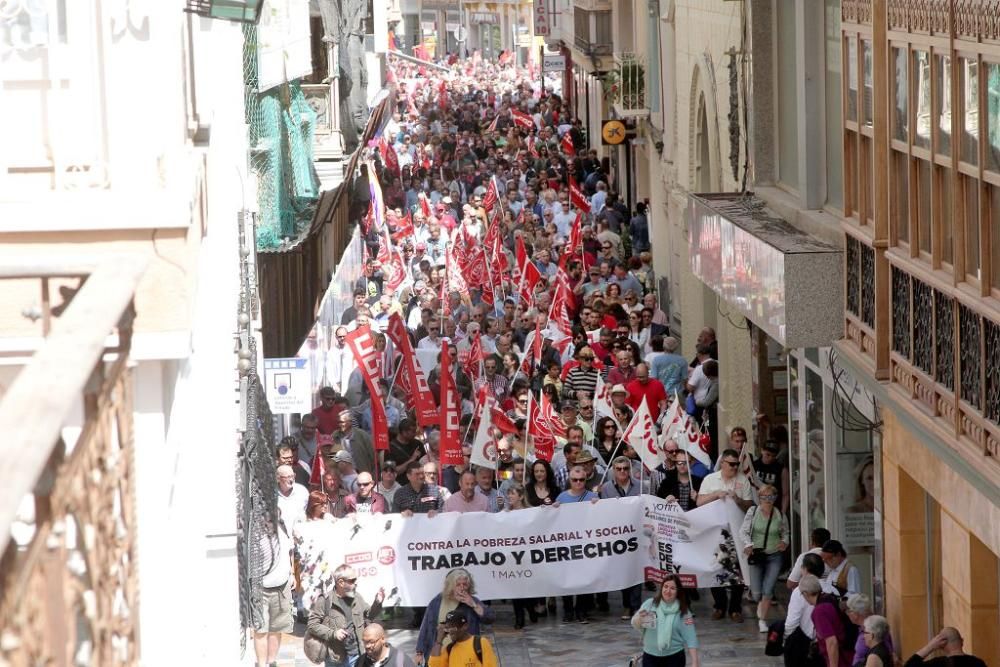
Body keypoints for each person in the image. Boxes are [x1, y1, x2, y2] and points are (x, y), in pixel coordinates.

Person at [697, 448, 753, 622]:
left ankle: (735, 609)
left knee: (738, 571)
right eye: (731, 464)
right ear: (722, 463)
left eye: (737, 464)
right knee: (716, 568)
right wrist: (715, 494)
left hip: (736, 533)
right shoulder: (710, 479)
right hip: (715, 533)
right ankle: (719, 605)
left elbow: (750, 506)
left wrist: (737, 499)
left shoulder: (743, 481)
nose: (735, 467)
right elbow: (699, 502)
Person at [308, 564, 385, 667]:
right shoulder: (325, 601)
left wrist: (377, 602)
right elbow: (312, 625)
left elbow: (369, 615)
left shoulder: (357, 597)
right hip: (335, 658)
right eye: (352, 580)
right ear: (341, 582)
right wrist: (333, 633)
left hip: (357, 655)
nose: (356, 582)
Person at [415, 569, 496, 664]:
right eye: (458, 585)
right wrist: (419, 652)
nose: (462, 588)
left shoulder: (472, 601)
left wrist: (473, 605)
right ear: (450, 586)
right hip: (439, 654)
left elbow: (490, 617)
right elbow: (426, 626)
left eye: (465, 584)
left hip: (464, 655)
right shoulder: (438, 601)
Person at [739, 484, 789, 632]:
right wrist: (748, 544)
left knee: (768, 589)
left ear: (775, 498)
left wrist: (784, 542)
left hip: (774, 555)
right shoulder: (753, 512)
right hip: (757, 554)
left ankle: (762, 620)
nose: (768, 500)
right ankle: (758, 605)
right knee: (756, 593)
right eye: (764, 497)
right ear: (759, 498)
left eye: (771, 496)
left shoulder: (780, 514)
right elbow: (743, 531)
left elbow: (786, 533)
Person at [630, 574, 700, 667]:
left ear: (677, 591)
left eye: (672, 588)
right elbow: (634, 623)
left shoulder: (684, 611)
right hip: (650, 657)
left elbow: (691, 637)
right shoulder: (649, 604)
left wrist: (695, 662)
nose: (668, 591)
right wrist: (640, 618)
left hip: (675, 657)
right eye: (665, 587)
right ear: (661, 588)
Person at [254, 514, 293, 667]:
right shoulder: (256, 535)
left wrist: (292, 574)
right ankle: (262, 664)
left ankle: (272, 662)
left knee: (277, 628)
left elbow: (290, 550)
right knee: (260, 629)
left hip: (282, 587)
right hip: (260, 588)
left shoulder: (283, 528)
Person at [783, 553, 830, 666]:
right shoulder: (831, 588)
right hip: (826, 644)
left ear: (805, 569)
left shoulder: (800, 590)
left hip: (805, 644)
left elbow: (792, 622)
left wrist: (787, 640)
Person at [800, 574, 856, 667]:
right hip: (848, 653)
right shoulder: (829, 598)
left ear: (805, 593)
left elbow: (832, 642)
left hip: (841, 659)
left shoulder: (819, 611)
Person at [427, 610, 499, 667]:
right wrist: (439, 640)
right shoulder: (449, 649)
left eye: (453, 626)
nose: (450, 631)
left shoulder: (480, 643)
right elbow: (433, 665)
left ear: (465, 626)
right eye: (448, 627)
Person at [846, 594, 894, 667]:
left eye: (849, 610)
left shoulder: (874, 627)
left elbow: (887, 651)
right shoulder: (863, 628)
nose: (847, 614)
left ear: (855, 614)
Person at [903, 627, 987, 666]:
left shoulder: (937, 663)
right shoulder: (978, 663)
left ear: (941, 646)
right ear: (962, 641)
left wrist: (930, 646)